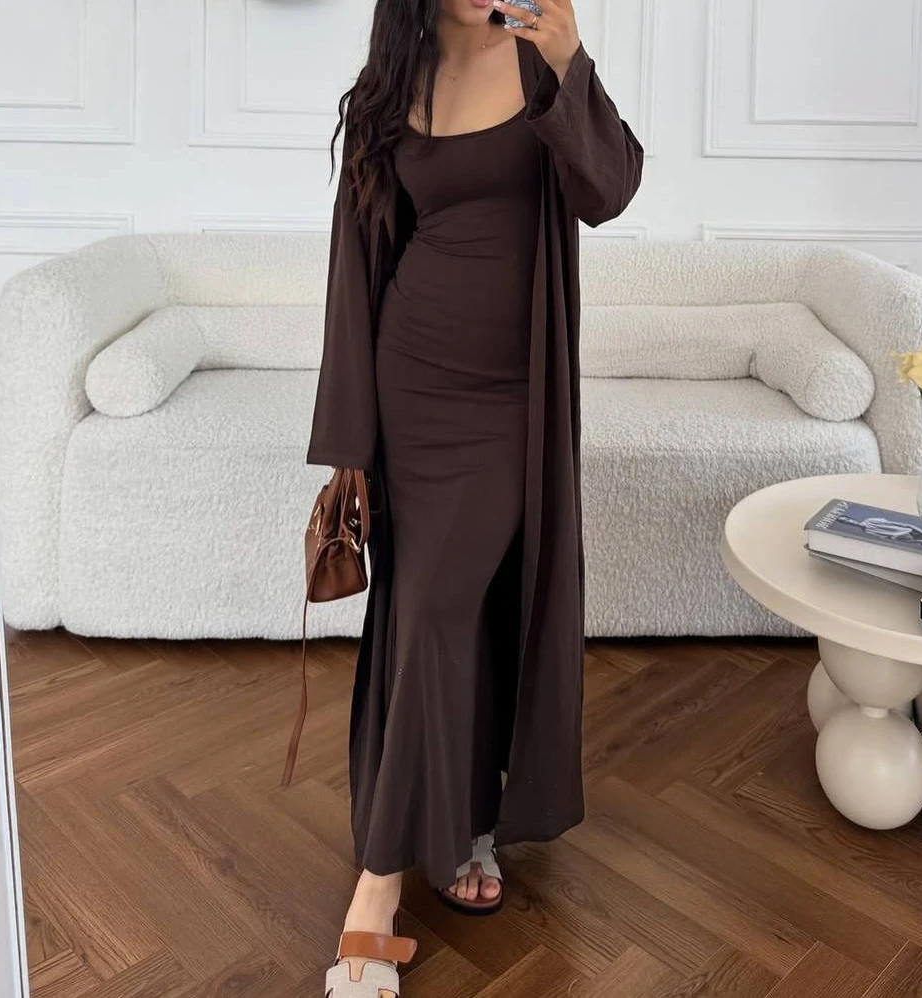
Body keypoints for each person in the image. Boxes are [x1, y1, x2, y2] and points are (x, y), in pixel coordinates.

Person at [304, 0, 643, 993]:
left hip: (511, 398)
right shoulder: (389, 84)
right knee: (430, 612)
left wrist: (571, 61)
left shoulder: (541, 63)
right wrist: (351, 445)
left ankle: (396, 870)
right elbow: (357, 267)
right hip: (411, 385)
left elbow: (610, 189)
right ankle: (435, 844)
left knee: (451, 609)